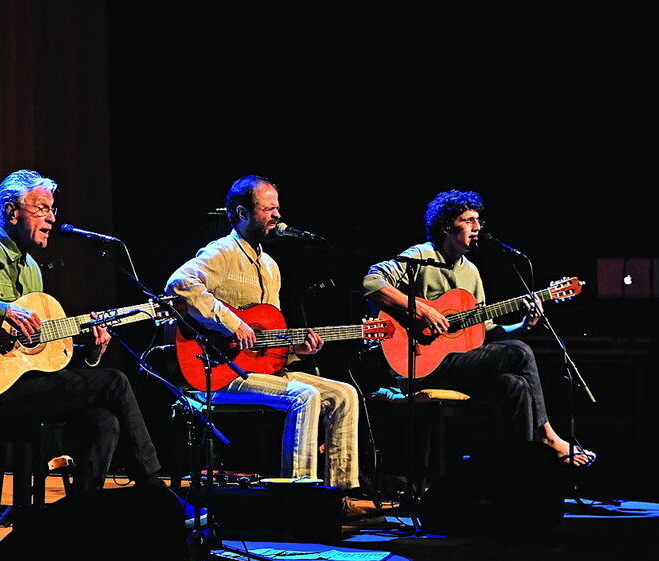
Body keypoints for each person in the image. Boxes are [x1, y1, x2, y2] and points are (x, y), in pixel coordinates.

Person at [0, 169, 177, 502]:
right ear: (11, 211)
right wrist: (3, 310)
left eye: (53, 210)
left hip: (20, 385)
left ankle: (80, 513)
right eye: (42, 208)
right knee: (114, 382)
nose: (52, 218)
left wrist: (92, 349)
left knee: (104, 420)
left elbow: (41, 352)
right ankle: (154, 489)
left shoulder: (32, 269)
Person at [165, 175, 364, 515]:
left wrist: (295, 350)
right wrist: (232, 322)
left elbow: (268, 336)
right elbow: (179, 284)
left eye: (277, 207)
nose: (277, 215)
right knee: (306, 395)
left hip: (261, 369)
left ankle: (337, 498)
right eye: (268, 208)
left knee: (344, 394)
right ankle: (300, 501)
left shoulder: (271, 266)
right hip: (219, 372)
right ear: (242, 212)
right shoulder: (221, 253)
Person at [361, 188, 595, 466]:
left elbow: (486, 331)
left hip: (456, 365)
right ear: (448, 226)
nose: (477, 227)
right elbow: (371, 283)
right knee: (519, 352)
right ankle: (548, 435)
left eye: (479, 221)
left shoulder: (470, 271)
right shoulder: (421, 255)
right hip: (417, 364)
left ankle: (521, 470)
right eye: (469, 220)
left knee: (515, 385)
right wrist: (422, 309)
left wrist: (522, 324)